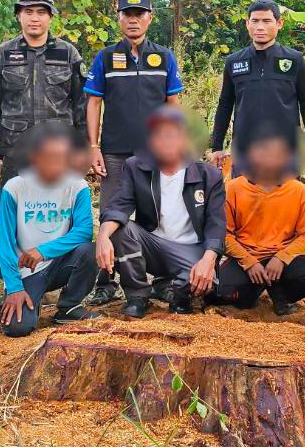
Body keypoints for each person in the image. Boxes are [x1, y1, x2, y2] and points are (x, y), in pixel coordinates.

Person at [84, 0, 183, 302]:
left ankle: (162, 281)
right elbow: (93, 103)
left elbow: (173, 104)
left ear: (150, 18)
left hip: (154, 154)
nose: (133, 19)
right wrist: (93, 146)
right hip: (114, 153)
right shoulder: (105, 57)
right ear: (119, 18)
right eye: (127, 14)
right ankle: (104, 283)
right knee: (111, 214)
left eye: (139, 14)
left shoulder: (164, 57)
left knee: (160, 215)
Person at [96, 106, 225, 318]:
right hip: (152, 246)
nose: (166, 142)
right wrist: (102, 235)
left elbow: (216, 224)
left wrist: (209, 260)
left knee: (199, 286)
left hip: (191, 251)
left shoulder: (208, 176)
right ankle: (138, 296)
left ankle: (176, 290)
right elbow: (119, 206)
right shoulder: (136, 167)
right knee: (119, 230)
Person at [0, 123, 101, 337]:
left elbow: (84, 231)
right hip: (27, 269)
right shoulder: (15, 188)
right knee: (18, 327)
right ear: (35, 158)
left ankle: (69, 306)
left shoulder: (77, 186)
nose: (58, 165)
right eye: (50, 158)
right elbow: (4, 242)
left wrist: (43, 251)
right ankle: (23, 296)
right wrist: (15, 287)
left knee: (90, 251)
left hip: (60, 263)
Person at [0, 0, 88, 190]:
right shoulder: (2, 55)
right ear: (18, 15)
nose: (34, 18)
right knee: (13, 217)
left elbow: (83, 106)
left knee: (59, 217)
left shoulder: (68, 54)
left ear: (50, 17)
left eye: (41, 12)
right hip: (15, 154)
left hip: (60, 154)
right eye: (28, 12)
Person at [214, 131, 305, 314]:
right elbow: (224, 234)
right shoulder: (234, 188)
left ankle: (281, 295)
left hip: (282, 260)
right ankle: (251, 294)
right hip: (247, 257)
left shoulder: (297, 190)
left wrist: (281, 258)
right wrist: (249, 262)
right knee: (216, 292)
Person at [209, 0, 305, 176]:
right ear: (247, 24)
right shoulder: (234, 62)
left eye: (267, 21)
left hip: (285, 153)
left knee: (284, 202)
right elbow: (225, 105)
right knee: (244, 202)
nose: (260, 27)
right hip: (245, 152)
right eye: (255, 21)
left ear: (279, 24)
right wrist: (216, 146)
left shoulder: (294, 60)